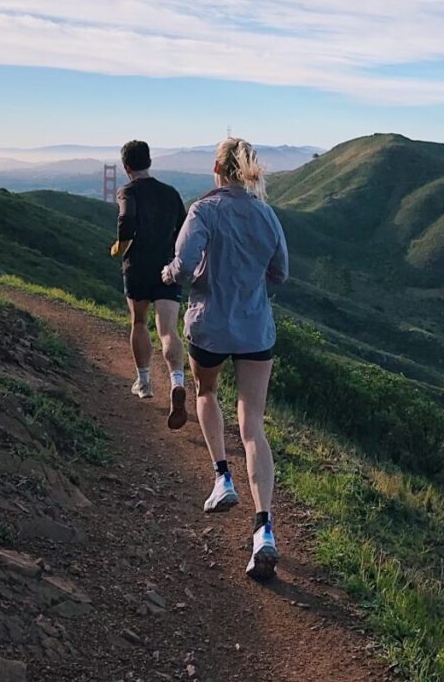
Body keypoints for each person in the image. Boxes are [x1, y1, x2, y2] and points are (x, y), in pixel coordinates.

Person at [161, 137, 289, 581]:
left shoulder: (203, 211)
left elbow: (184, 263)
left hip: (210, 324)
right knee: (253, 425)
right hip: (256, 327)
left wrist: (174, 274)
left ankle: (222, 479)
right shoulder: (266, 213)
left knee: (207, 391)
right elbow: (280, 273)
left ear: (217, 168)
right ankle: (264, 530)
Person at [110, 140, 190, 429]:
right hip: (167, 267)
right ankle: (176, 382)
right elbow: (183, 230)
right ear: (149, 162)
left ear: (126, 166)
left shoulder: (127, 191)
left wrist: (121, 243)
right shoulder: (170, 193)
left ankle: (144, 383)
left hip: (138, 267)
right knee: (168, 330)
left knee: (140, 323)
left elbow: (126, 218)